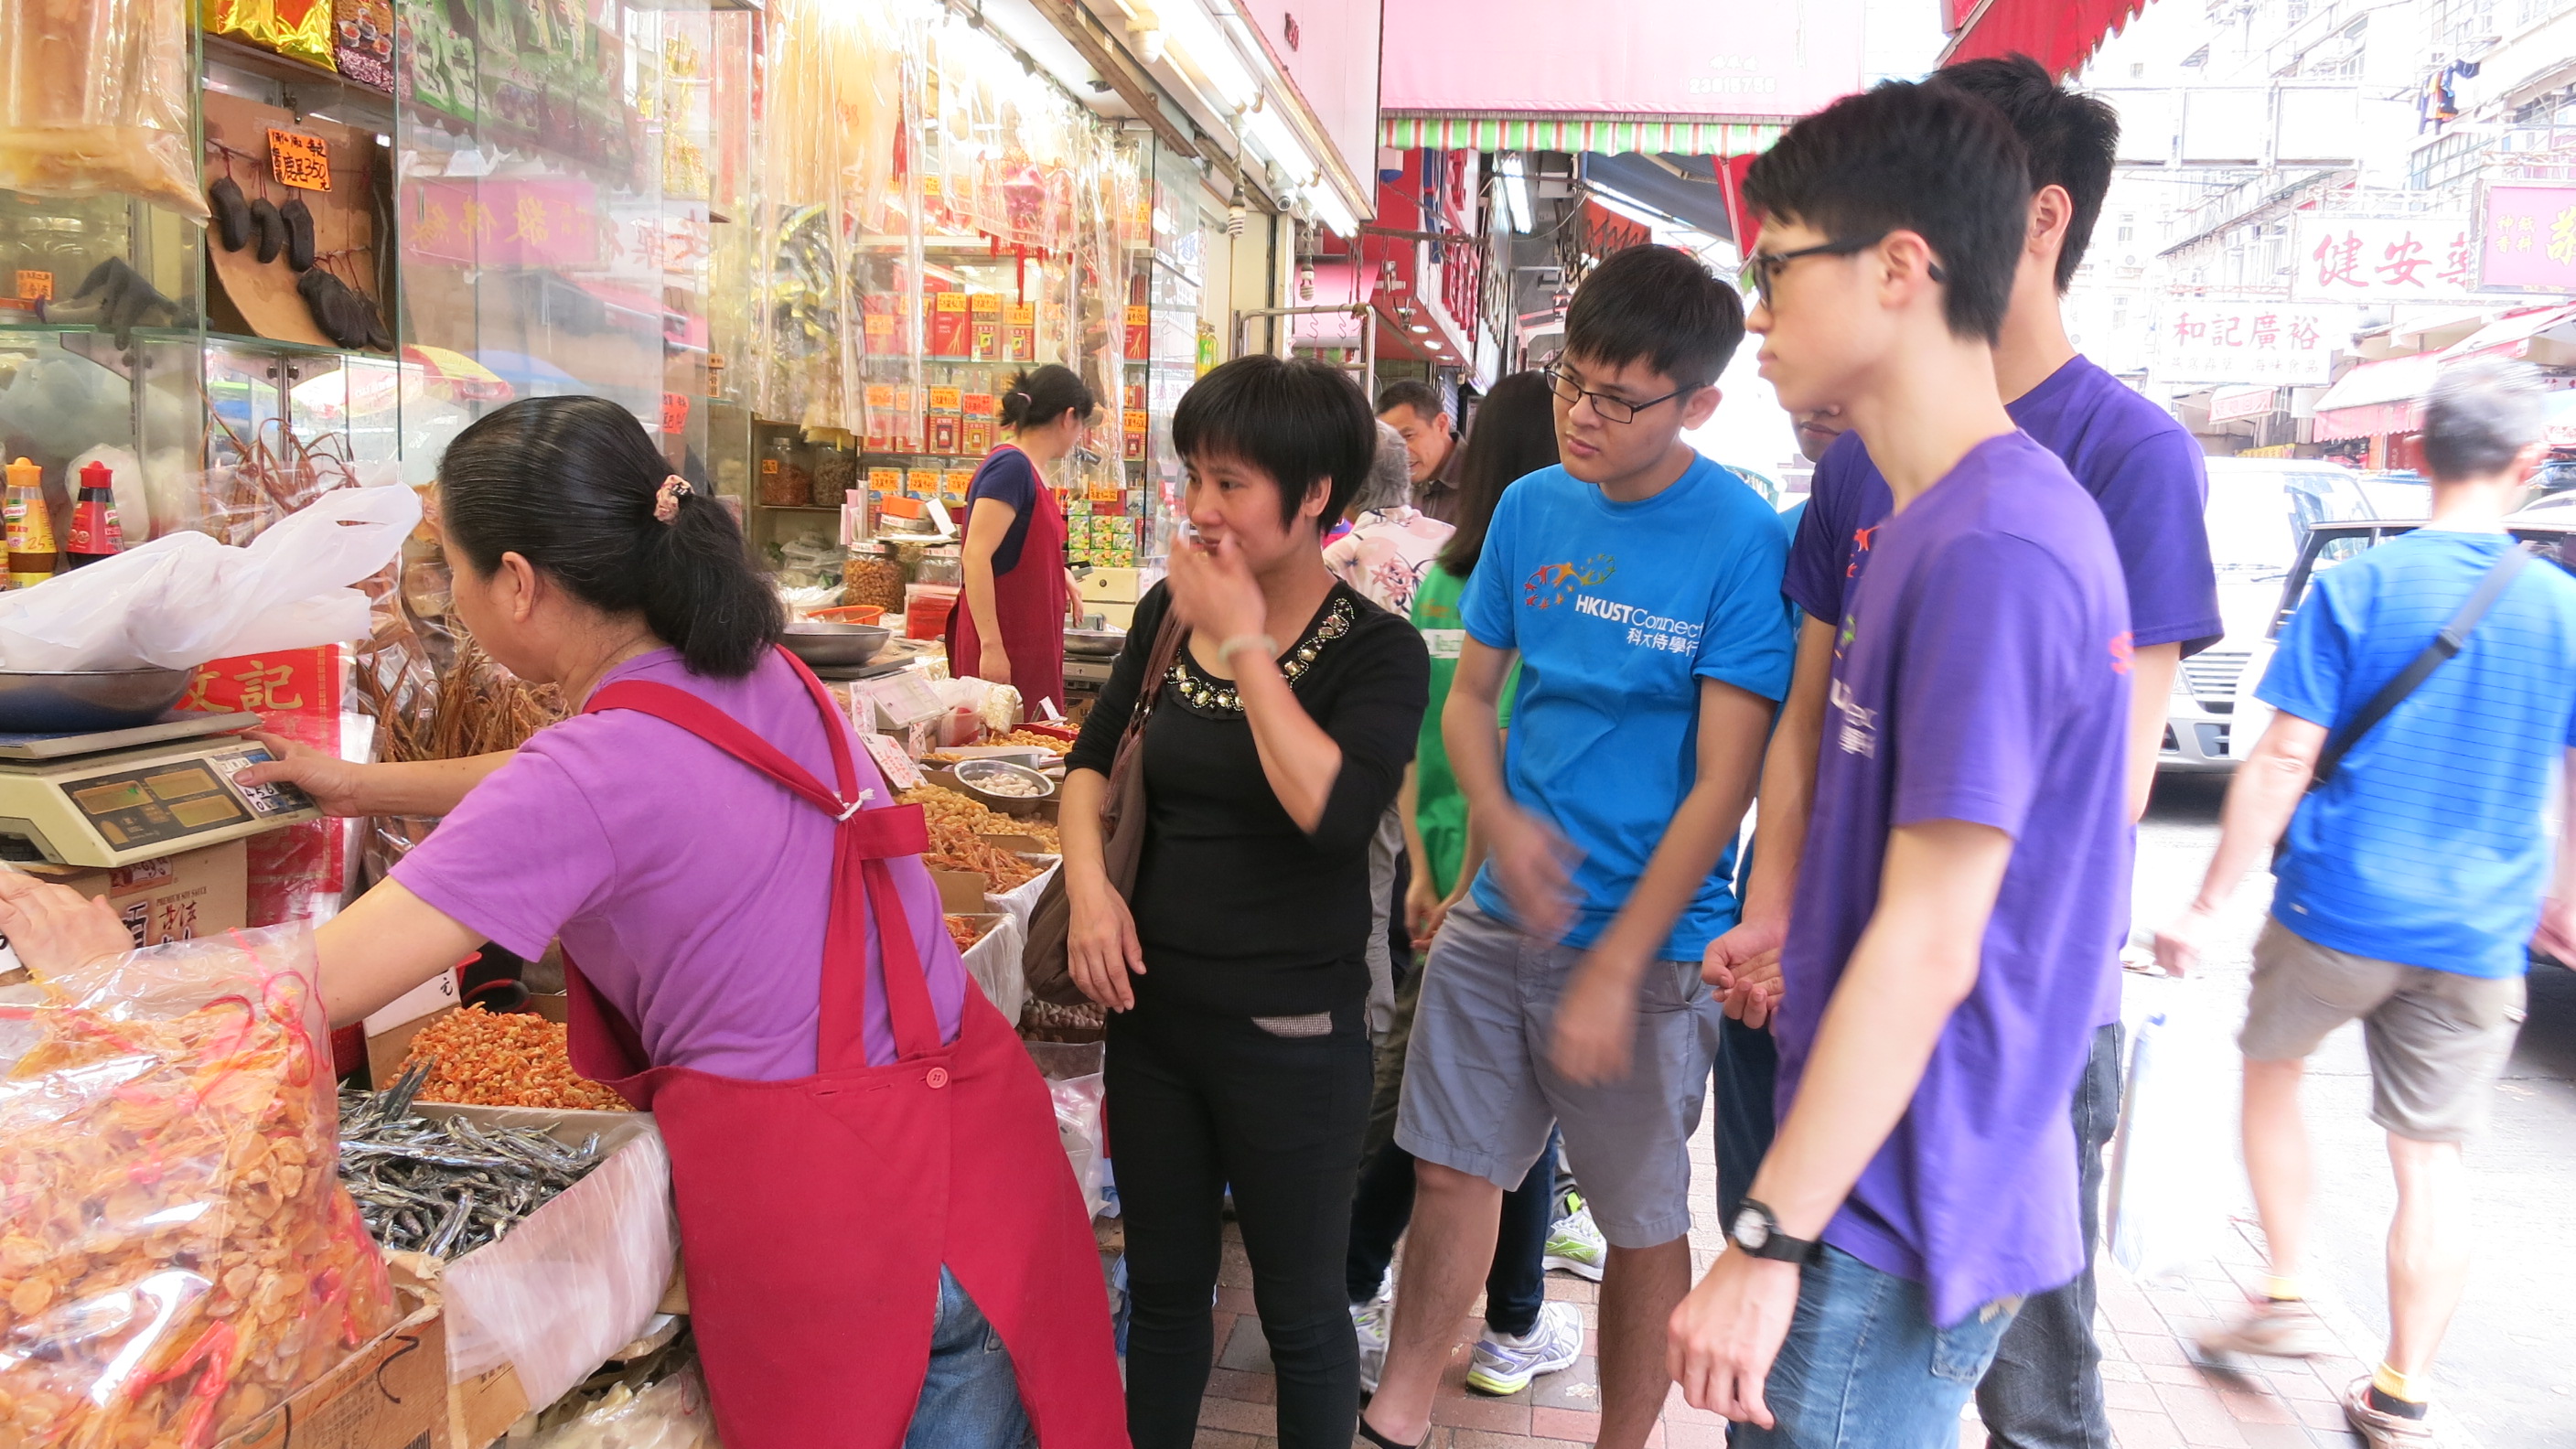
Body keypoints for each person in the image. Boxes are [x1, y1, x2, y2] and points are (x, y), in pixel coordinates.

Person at [0, 395, 1126, 1449]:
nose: (447, 594)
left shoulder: (594, 771)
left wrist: (115, 979)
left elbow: (319, 982)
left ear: (521, 584)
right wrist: (362, 789)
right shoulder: (751, 670)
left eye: (449, 570)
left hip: (839, 1217)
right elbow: (585, 781)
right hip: (976, 1160)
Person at [1702, 55, 2221, 1449]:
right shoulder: (1928, 509)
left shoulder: (1998, 541)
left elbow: (1943, 941)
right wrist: (1795, 929)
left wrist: (1760, 1237)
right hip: (1881, 1157)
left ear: (1898, 270)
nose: (1755, 322)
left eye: (1778, 272)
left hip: (1910, 1179)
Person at [1359, 246, 1794, 1449]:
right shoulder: (1534, 508)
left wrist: (1616, 964)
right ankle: (1399, 1413)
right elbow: (1471, 702)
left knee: (1640, 1215)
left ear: (1698, 402)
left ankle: (1620, 1441)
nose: (1582, 416)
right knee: (1450, 1168)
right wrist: (1493, 825)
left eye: (1617, 397)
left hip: (1652, 949)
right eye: (1569, 383)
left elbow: (1727, 781)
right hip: (1502, 918)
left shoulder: (1740, 540)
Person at [2155, 360, 2576, 1449]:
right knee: (2428, 1157)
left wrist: (2207, 903)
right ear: (2530, 466)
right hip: (2477, 929)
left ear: (2420, 452)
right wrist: (2558, 896)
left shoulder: (2357, 587)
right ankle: (2399, 1390)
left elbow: (2281, 757)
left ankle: (2288, 1290)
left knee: (2271, 1072)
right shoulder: (2559, 608)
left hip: (2337, 907)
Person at [1060, 355, 1429, 1449]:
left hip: (1295, 1035)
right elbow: (1089, 767)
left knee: (1303, 1315)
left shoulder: (1378, 651)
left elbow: (1327, 809)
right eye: (1193, 479)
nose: (1201, 509)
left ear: (1313, 495)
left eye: (1230, 484)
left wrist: (1249, 643)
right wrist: (1088, 891)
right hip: (1153, 1017)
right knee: (1166, 1301)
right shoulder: (1168, 614)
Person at [1344, 369, 1600, 1400]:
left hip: (1429, 853)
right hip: (1505, 874)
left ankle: (1390, 1288)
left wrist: (1417, 861)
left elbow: (1420, 727)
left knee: (1447, 1100)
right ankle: (1502, 1321)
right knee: (1496, 1113)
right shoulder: (1553, 579)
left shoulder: (1442, 574)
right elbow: (1524, 747)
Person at [1326, 422, 1455, 1036]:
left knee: (1372, 909)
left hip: (1372, 755)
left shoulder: (1342, 554)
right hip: (1448, 754)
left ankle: (1372, 1042)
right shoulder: (1455, 547)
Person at [951, 363, 1096, 714]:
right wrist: (991, 647)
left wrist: (1058, 573)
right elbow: (976, 555)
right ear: (1069, 417)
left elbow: (1014, 544)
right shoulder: (1011, 467)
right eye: (1082, 426)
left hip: (1030, 642)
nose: (1080, 437)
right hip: (1007, 644)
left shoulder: (1031, 470)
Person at [1378, 378, 1463, 525]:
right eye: (1391, 440)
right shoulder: (1391, 479)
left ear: (1441, 425)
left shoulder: (1484, 480)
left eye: (1408, 436)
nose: (1400, 451)